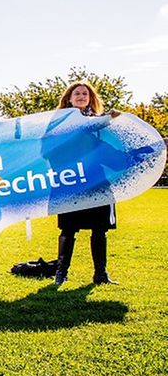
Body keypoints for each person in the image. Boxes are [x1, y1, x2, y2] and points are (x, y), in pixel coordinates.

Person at [53, 81, 118, 286]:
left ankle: (100, 274)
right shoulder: (59, 124)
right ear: (69, 98)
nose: (81, 96)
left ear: (90, 98)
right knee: (69, 228)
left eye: (85, 94)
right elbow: (49, 151)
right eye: (77, 93)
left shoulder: (100, 124)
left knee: (99, 229)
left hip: (96, 181)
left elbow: (108, 149)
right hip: (71, 182)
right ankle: (61, 273)